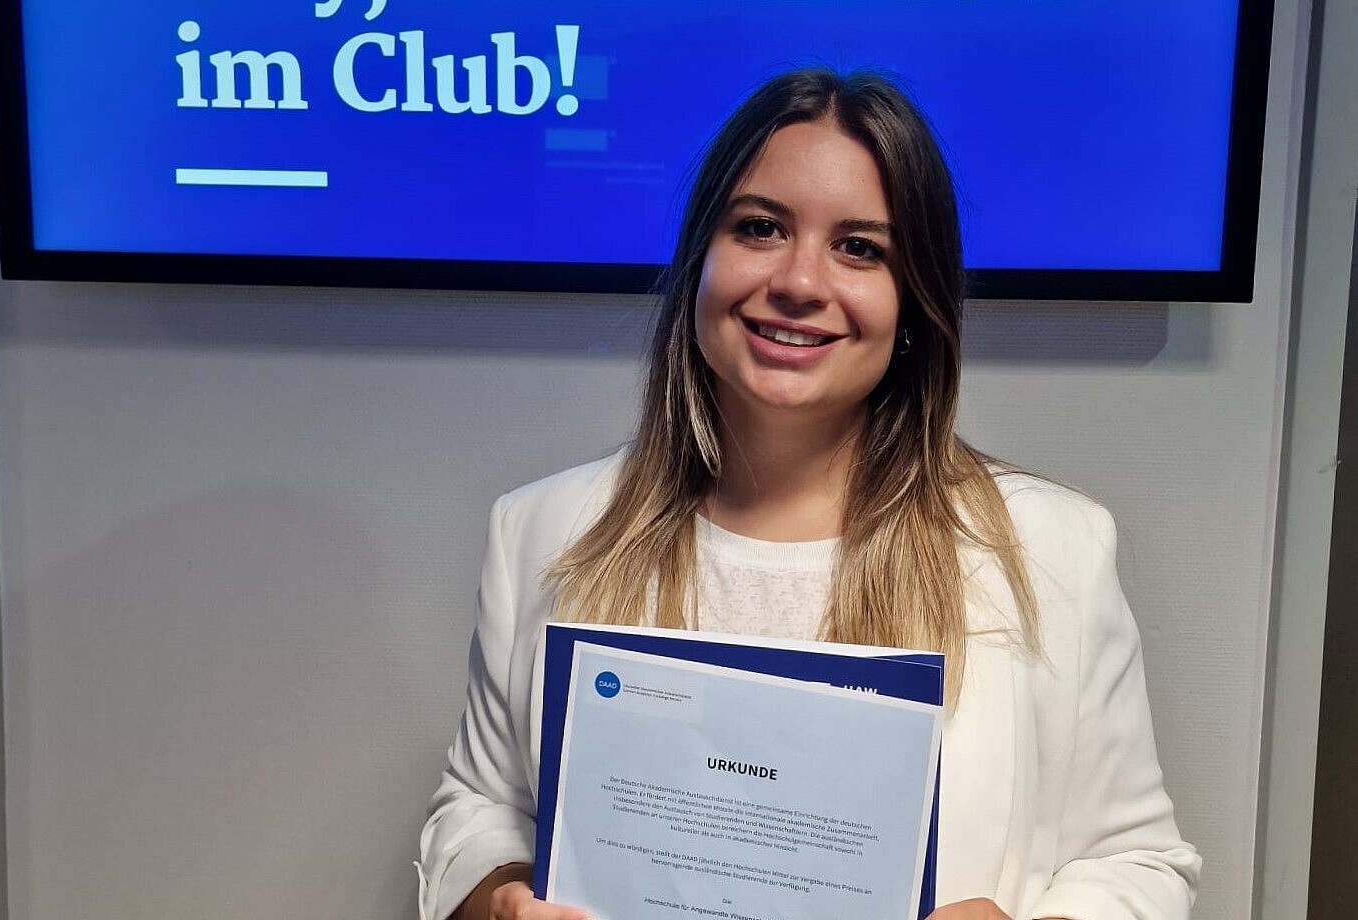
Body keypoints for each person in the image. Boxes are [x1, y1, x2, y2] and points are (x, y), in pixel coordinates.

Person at [417, 68, 1200, 920]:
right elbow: (478, 806)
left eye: (860, 247)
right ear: (699, 260)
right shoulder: (543, 529)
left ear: (915, 302)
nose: (798, 281)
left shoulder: (1051, 550)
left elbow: (1137, 860)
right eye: (759, 228)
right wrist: (496, 897)